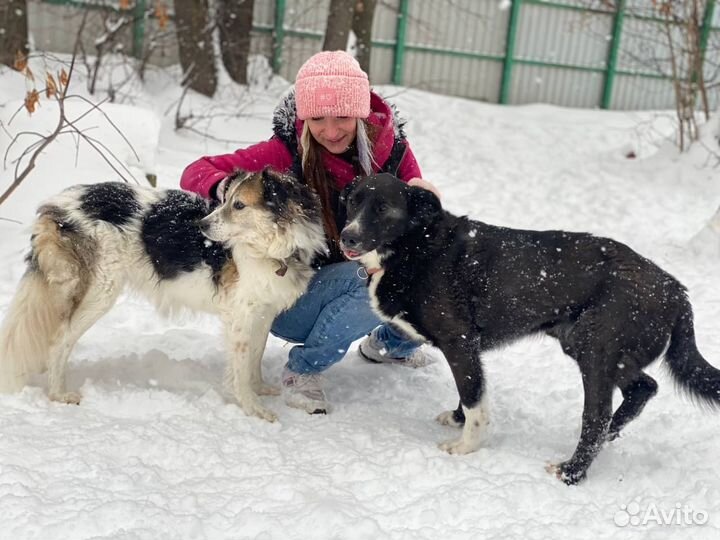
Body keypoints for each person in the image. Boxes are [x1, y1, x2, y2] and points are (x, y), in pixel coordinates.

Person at [180, 50, 440, 414]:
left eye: (343, 117)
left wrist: (421, 199)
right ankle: (303, 370)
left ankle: (391, 344)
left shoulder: (390, 152)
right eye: (317, 118)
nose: (331, 131)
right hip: (295, 294)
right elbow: (196, 170)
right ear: (304, 116)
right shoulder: (284, 152)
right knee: (373, 278)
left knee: (420, 263)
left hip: (357, 273)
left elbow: (418, 214)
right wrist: (229, 192)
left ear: (361, 112)